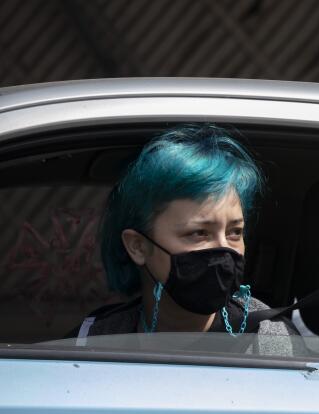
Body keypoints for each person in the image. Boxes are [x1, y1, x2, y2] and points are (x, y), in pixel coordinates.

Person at [74, 124, 295, 351]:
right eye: (199, 233)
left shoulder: (269, 340)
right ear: (138, 246)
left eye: (234, 232)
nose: (224, 249)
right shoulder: (94, 338)